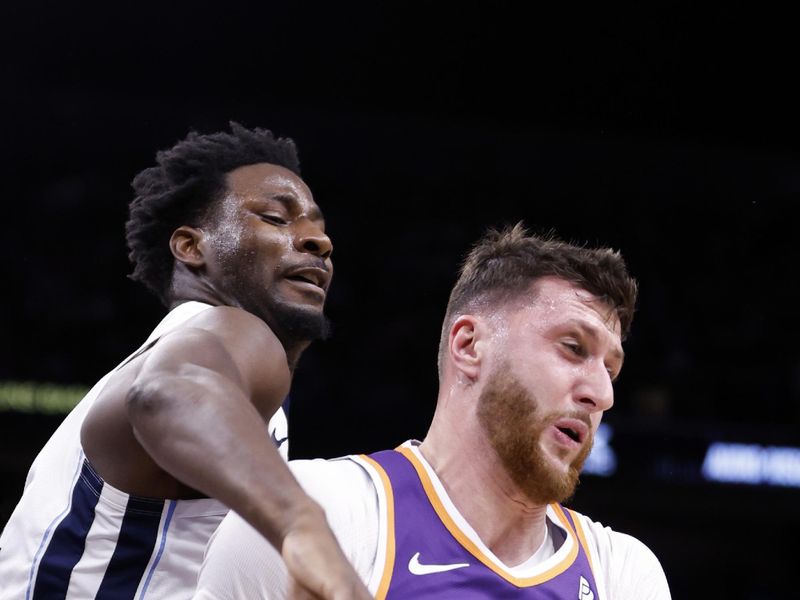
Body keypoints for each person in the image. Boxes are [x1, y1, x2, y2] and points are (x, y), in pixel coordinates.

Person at [194, 223, 672, 599]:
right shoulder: (324, 514)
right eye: (573, 347)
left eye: (611, 369)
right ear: (469, 345)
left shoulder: (623, 574)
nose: (601, 394)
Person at [0, 123, 371, 600]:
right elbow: (169, 391)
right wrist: (304, 525)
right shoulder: (232, 331)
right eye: (277, 219)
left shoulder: (199, 364)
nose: (319, 241)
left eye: (319, 227)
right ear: (191, 247)